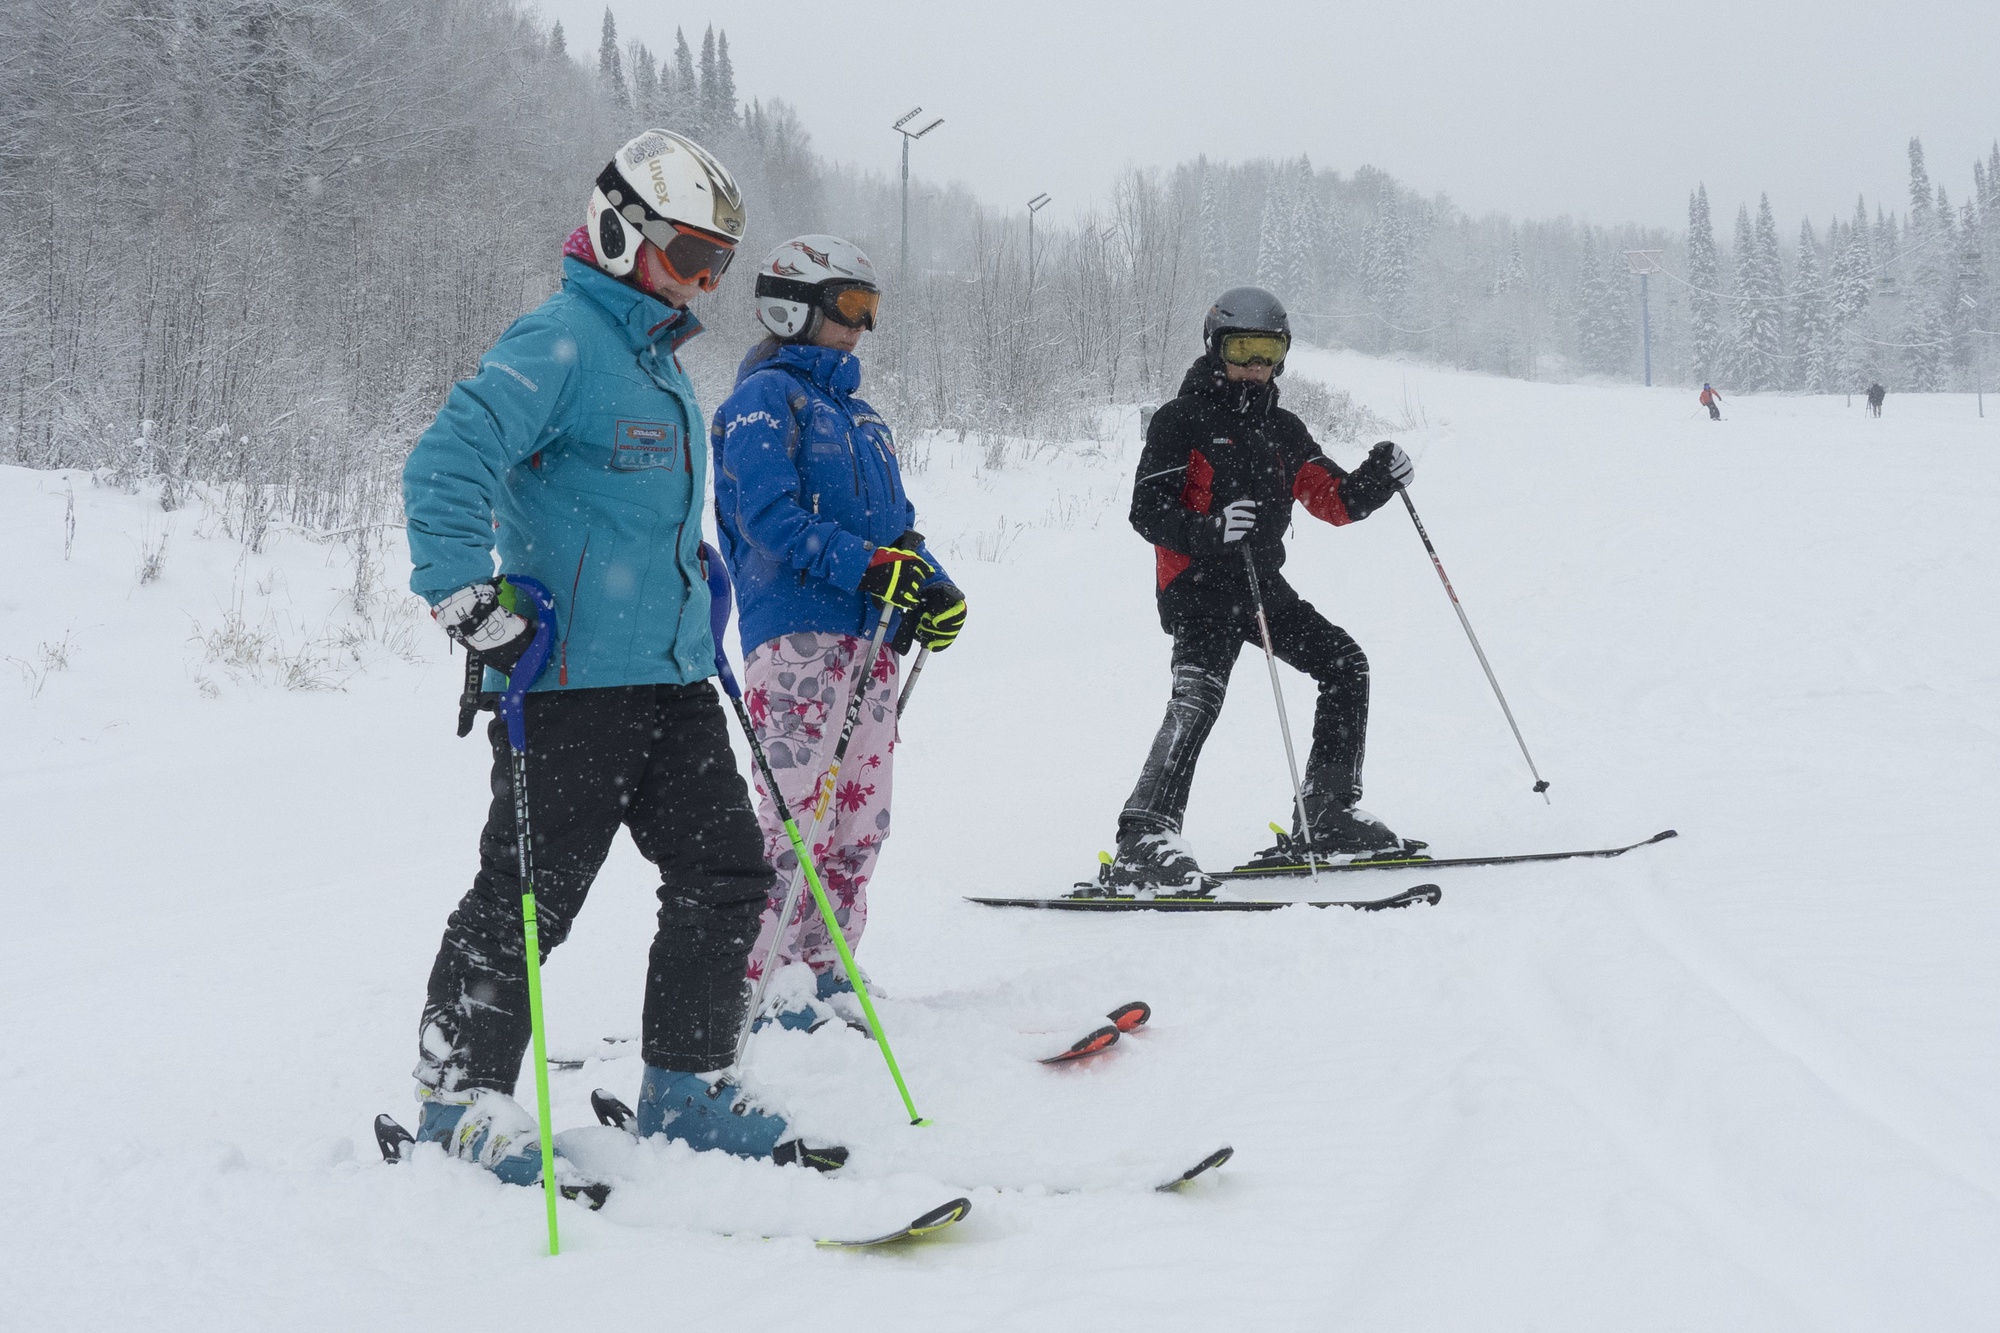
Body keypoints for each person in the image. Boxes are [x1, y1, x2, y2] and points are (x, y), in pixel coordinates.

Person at [399, 130, 835, 1182]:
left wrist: (693, 573)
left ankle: (685, 1087)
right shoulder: (558, 343)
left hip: (672, 679)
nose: (706, 280)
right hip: (567, 687)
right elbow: (443, 466)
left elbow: (618, 509)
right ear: (617, 230)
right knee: (528, 895)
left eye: (719, 264)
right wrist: (467, 597)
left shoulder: (655, 365)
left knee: (727, 871)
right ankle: (457, 1099)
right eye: (690, 255)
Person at [712, 235, 964, 1029]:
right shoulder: (761, 401)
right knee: (797, 815)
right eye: (849, 308)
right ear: (794, 306)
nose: (862, 327)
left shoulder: (863, 419)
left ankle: (826, 969)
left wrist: (930, 586)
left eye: (871, 311)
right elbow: (767, 518)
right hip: (796, 640)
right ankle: (766, 980)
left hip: (872, 639)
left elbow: (900, 530)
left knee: (861, 819)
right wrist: (864, 567)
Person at [1096, 286, 1415, 896]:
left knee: (1345, 665)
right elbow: (1146, 510)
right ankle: (1145, 838)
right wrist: (1209, 529)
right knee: (1198, 698)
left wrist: (1380, 479)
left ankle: (1328, 814)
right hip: (1197, 583)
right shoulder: (1180, 420)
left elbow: (1334, 501)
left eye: (1269, 351)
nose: (1255, 366)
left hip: (1260, 586)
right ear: (1216, 348)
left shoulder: (1283, 428)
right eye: (1243, 349)